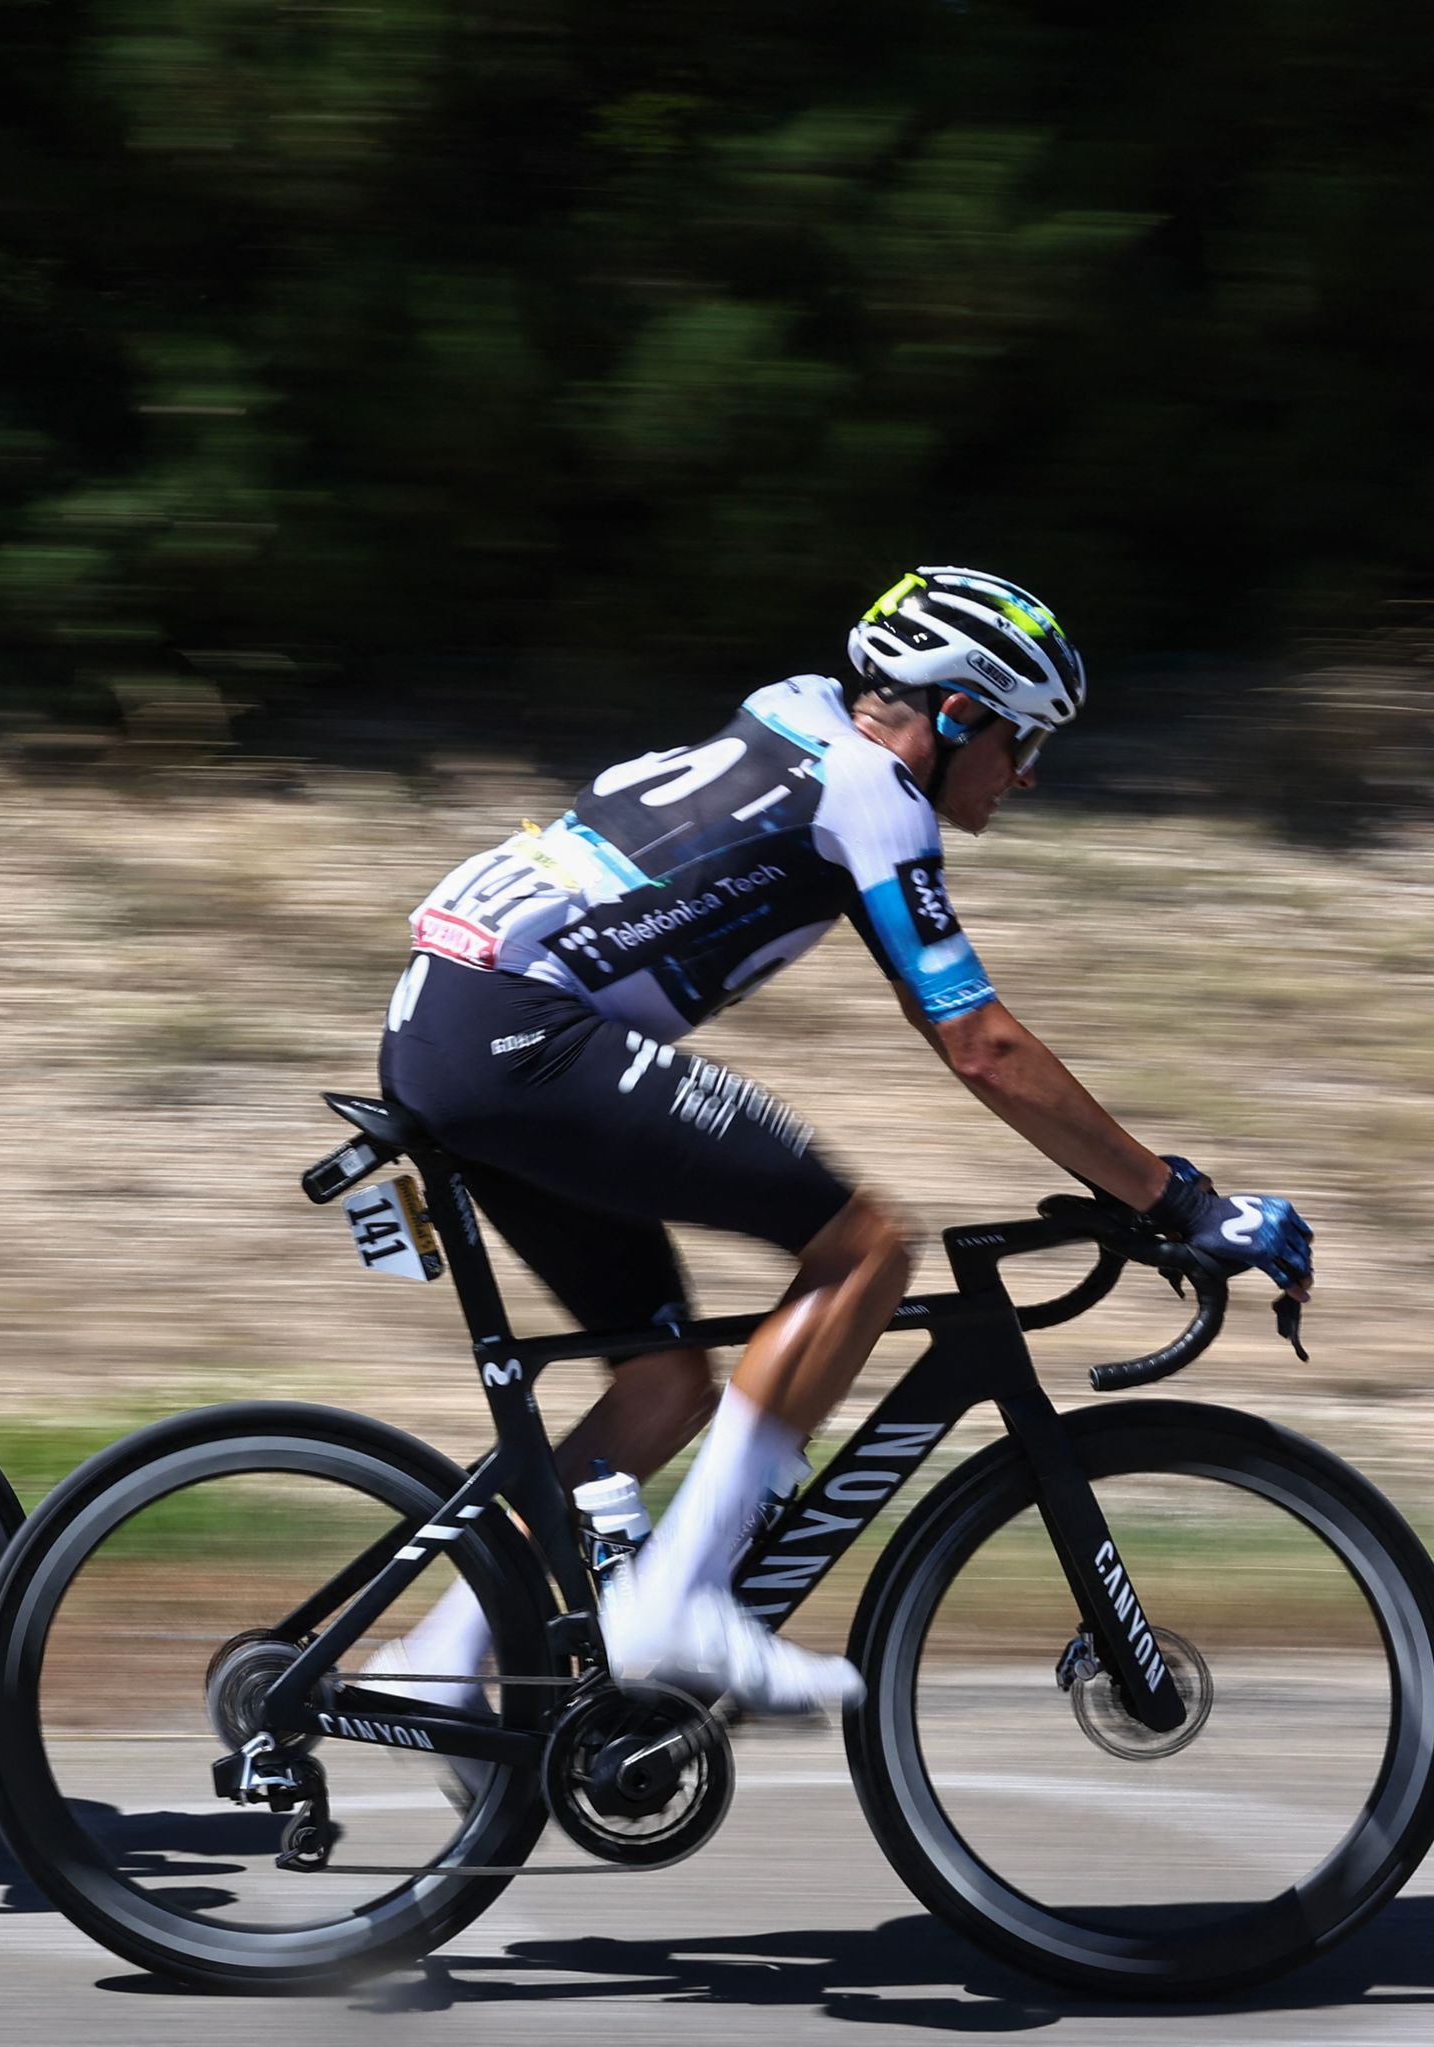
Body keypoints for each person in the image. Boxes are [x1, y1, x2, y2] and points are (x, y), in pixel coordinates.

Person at [367, 568, 1314, 1716]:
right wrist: (1178, 1200)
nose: (1026, 775)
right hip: (519, 1036)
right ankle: (677, 1602)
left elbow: (942, 1016)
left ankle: (445, 1654)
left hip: (456, 1025)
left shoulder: (799, 714)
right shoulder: (874, 793)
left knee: (665, 1385)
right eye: (1020, 742)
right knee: (866, 1250)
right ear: (955, 713)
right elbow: (982, 1047)